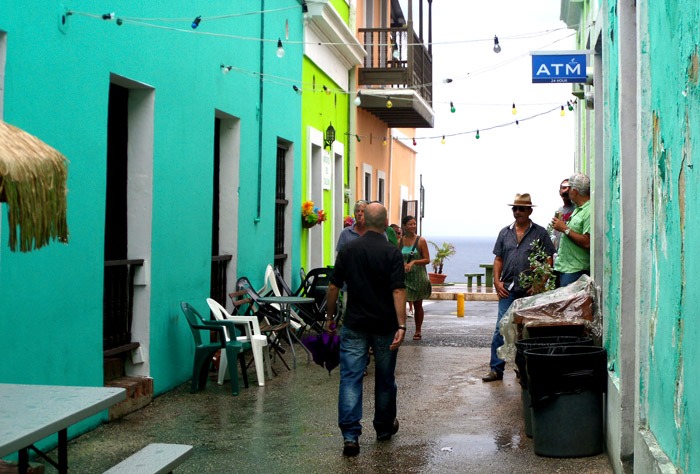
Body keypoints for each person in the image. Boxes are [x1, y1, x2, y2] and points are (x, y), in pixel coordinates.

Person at [326, 202, 407, 457]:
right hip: (385, 326)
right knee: (384, 380)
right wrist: (402, 324)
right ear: (385, 224)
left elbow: (333, 287)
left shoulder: (348, 250)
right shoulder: (392, 252)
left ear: (362, 221)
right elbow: (398, 290)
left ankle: (350, 437)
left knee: (350, 379)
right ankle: (383, 428)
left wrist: (329, 317)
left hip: (355, 324)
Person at [482, 193, 556, 383]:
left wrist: (540, 283)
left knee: (526, 331)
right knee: (501, 328)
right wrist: (496, 282)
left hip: (529, 291)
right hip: (507, 289)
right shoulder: (504, 233)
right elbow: (498, 258)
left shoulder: (539, 233)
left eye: (522, 208)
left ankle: (523, 369)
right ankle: (495, 369)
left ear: (530, 210)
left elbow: (548, 259)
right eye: (515, 208)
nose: (517, 212)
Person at [551, 173, 591, 287]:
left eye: (570, 189)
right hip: (565, 268)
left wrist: (565, 229)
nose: (568, 192)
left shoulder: (588, 210)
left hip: (575, 270)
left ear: (575, 191)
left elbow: (588, 242)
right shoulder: (578, 209)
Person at [399, 215, 431, 340]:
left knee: (418, 304)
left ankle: (418, 330)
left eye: (414, 224)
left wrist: (414, 262)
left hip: (418, 277)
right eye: (410, 224)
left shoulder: (421, 241)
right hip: (405, 277)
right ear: (404, 226)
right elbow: (397, 258)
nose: (413, 226)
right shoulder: (400, 241)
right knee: (401, 304)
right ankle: (401, 329)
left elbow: (427, 259)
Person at [550, 178, 577, 286]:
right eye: (563, 188)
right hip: (558, 259)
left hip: (571, 262)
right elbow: (555, 234)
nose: (565, 191)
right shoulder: (559, 210)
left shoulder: (577, 209)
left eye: (568, 188)